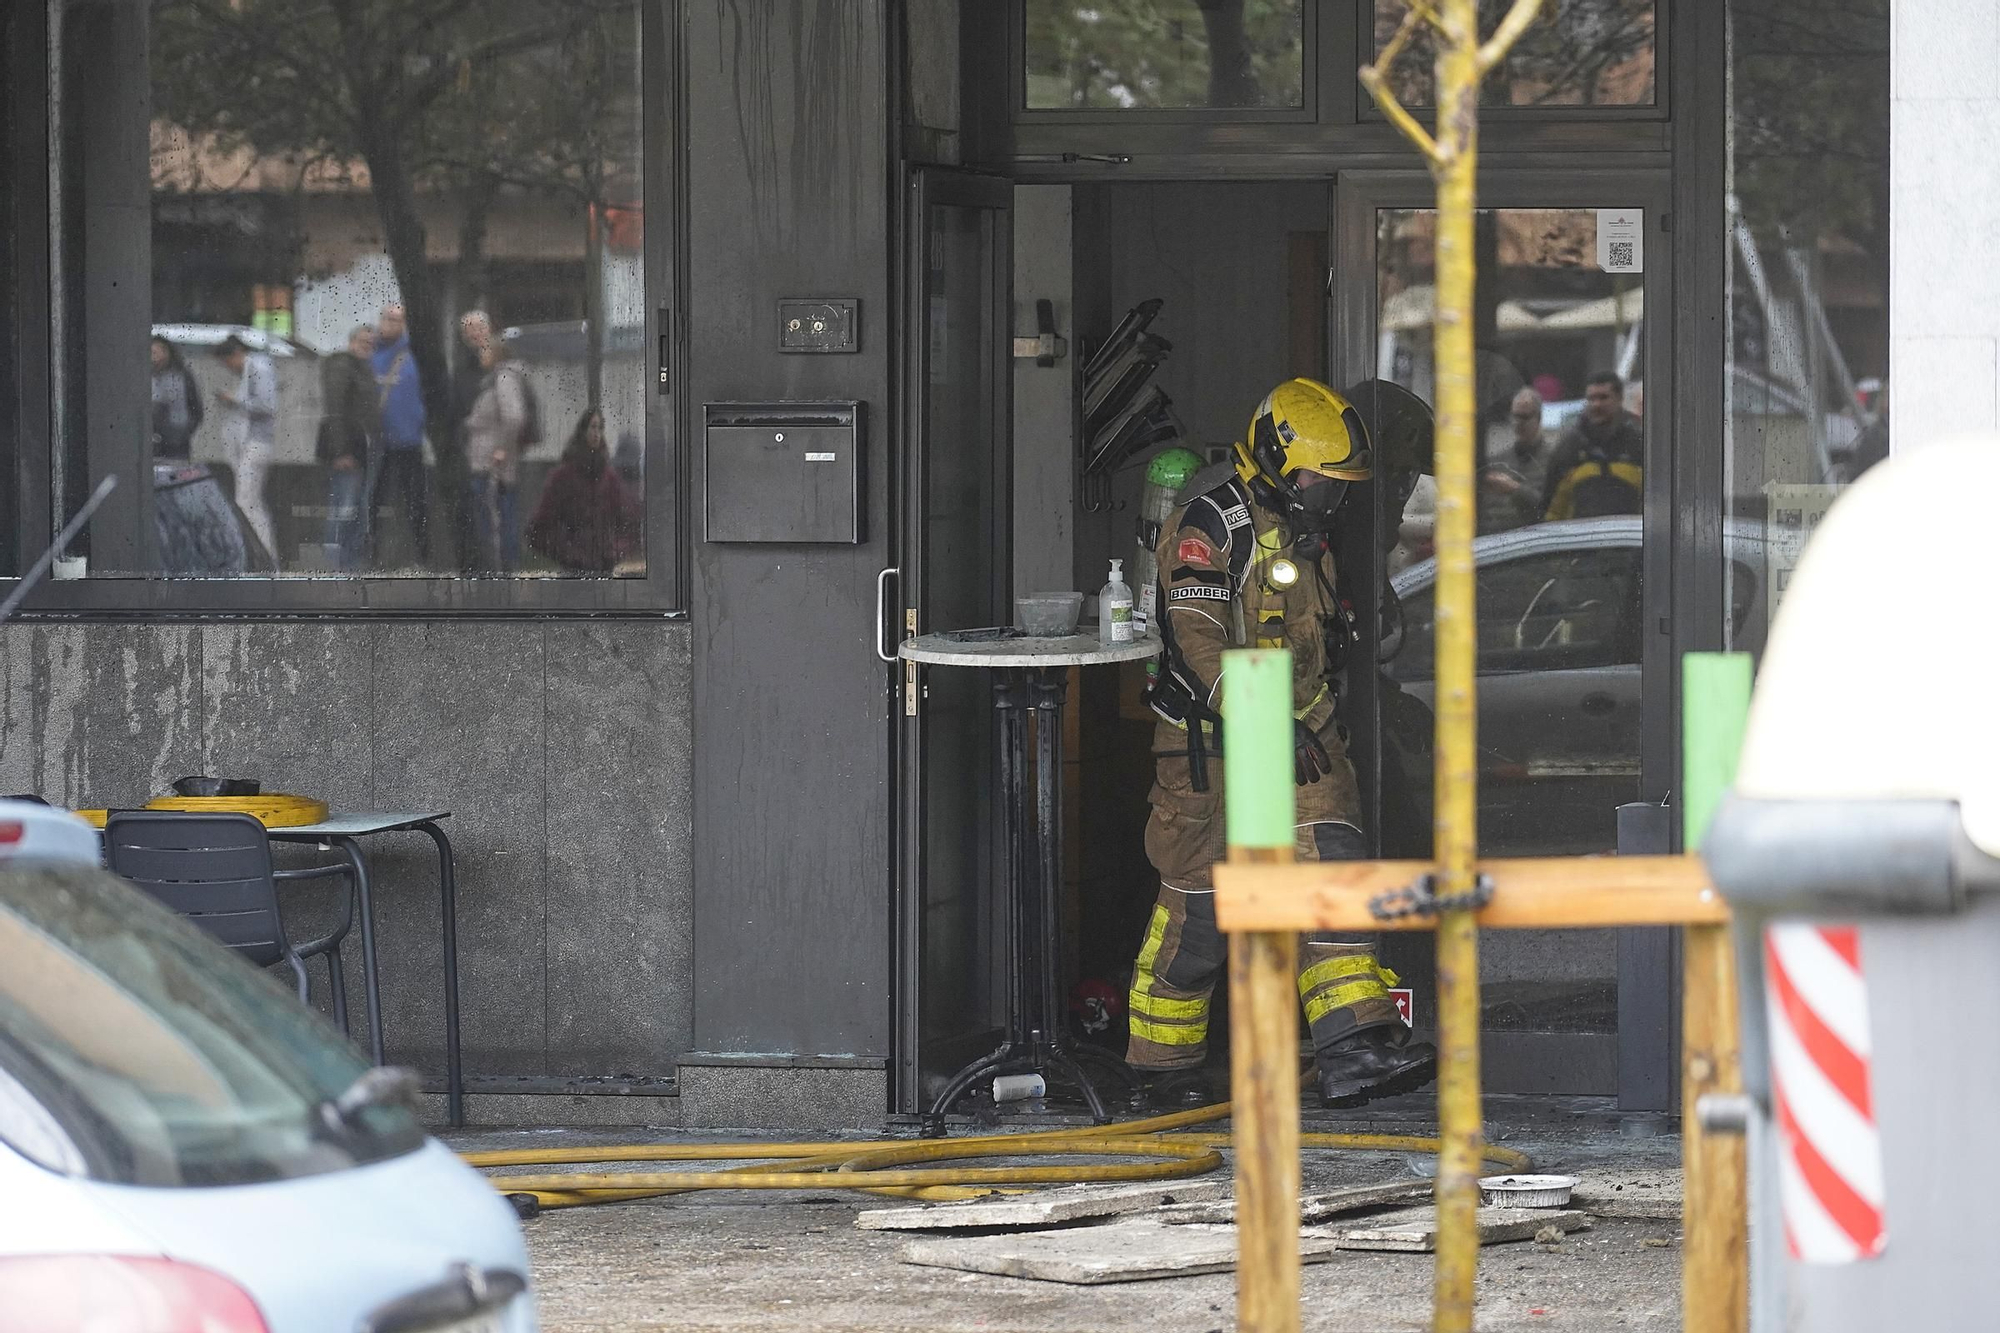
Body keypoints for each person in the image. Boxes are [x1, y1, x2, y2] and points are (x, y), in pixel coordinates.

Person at [1130, 377, 1438, 1109]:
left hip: (1307, 731)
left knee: (1332, 869)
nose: (1329, 499)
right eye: (1318, 483)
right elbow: (1198, 642)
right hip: (1213, 748)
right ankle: (1161, 1068)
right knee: (1201, 911)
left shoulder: (1305, 528)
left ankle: (1354, 1047)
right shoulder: (1210, 524)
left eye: (1337, 488)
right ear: (1274, 458)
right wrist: (1270, 724)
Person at [527, 409, 640, 574]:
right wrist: (568, 553)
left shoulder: (610, 479)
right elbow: (539, 529)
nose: (596, 433)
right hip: (572, 573)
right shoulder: (563, 477)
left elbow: (630, 525)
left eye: (600, 428)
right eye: (592, 427)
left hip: (604, 570)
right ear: (583, 431)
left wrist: (613, 551)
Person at [462, 324, 528, 572]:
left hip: (492, 462)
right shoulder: (495, 378)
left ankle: (503, 569)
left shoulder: (504, 378)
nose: (482, 355)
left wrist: (502, 448)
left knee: (496, 519)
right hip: (486, 458)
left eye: (486, 350)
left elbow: (514, 417)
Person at [370, 304, 429, 564]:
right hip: (376, 443)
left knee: (416, 502)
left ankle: (421, 558)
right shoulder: (369, 353)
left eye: (397, 320)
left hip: (408, 441)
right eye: (387, 319)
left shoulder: (415, 354)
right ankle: (370, 558)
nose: (391, 324)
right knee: (371, 503)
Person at [1542, 370, 1644, 520]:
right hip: (1581, 540)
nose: (1596, 404)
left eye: (1603, 398)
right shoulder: (1569, 447)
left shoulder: (1639, 443)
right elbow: (1550, 507)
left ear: (1619, 398)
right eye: (1591, 398)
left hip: (1628, 538)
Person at [213, 334, 278, 562]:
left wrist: (234, 399)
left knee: (247, 501)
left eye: (227, 362)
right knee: (251, 501)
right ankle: (263, 555)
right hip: (250, 442)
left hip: (256, 442)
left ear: (236, 354)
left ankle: (264, 557)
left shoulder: (259, 368)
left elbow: (267, 405)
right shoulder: (252, 371)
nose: (229, 368)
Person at [317, 325, 376, 570]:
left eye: (371, 344)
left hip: (359, 448)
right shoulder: (343, 366)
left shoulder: (361, 369)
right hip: (347, 449)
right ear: (351, 342)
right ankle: (336, 566)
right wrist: (341, 451)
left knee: (354, 510)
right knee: (343, 509)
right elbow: (335, 410)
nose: (366, 347)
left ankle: (349, 566)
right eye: (362, 342)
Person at [1479, 386, 1553, 533]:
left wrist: (1514, 489)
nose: (1518, 423)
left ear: (1538, 418)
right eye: (1515, 416)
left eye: (1525, 417)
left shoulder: (1552, 459)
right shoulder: (1499, 460)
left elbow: (1549, 506)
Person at [149, 336, 203, 460]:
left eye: (160, 352)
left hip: (177, 440)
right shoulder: (146, 377)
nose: (156, 357)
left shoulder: (182, 375)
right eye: (152, 353)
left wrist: (186, 430)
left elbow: (194, 406)